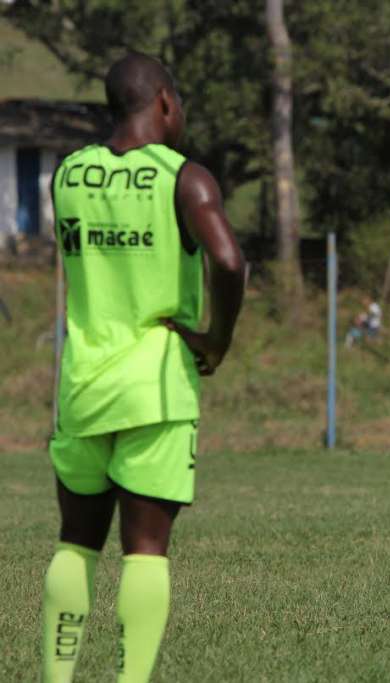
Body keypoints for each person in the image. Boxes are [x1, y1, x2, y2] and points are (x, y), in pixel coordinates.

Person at [42, 53, 245, 682]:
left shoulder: (68, 175)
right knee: (146, 549)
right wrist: (216, 339)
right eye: (178, 102)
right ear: (163, 101)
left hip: (81, 383)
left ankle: (56, 676)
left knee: (75, 543)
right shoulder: (184, 178)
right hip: (154, 387)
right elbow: (231, 263)